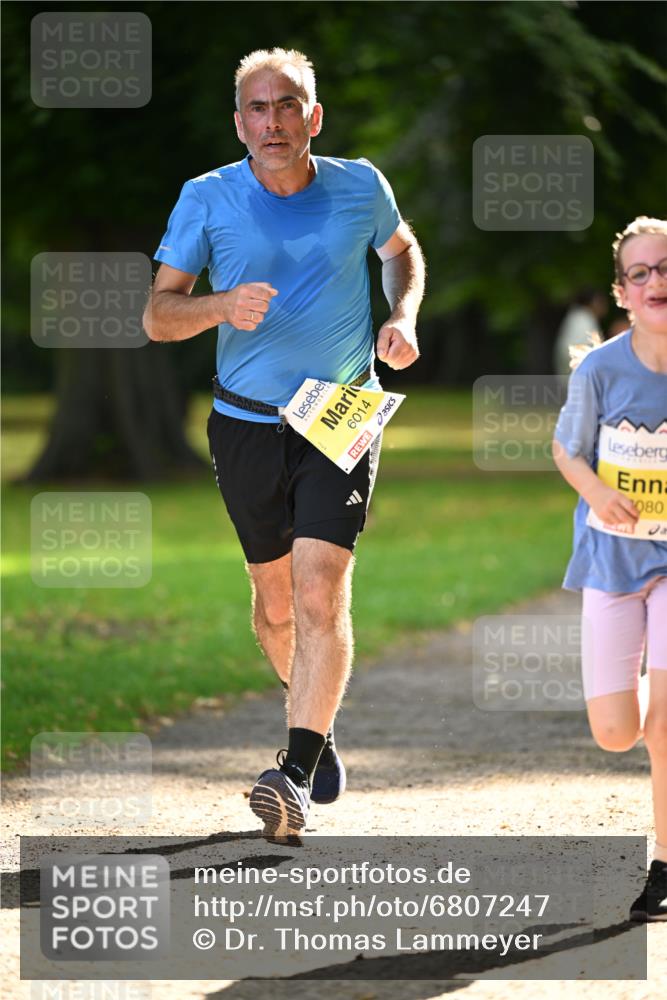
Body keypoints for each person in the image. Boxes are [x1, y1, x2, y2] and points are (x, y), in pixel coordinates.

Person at [143, 48, 425, 836]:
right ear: (240, 124)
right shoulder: (207, 199)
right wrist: (218, 305)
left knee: (317, 588)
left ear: (314, 117)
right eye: (258, 110)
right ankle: (318, 723)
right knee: (274, 608)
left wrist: (400, 316)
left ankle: (292, 771)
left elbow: (400, 255)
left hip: (339, 414)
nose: (274, 122)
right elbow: (157, 315)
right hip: (245, 424)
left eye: (288, 105)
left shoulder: (359, 185)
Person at [552, 216, 667, 921]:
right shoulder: (599, 367)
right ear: (620, 292)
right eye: (641, 272)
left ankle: (662, 863)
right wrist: (597, 490)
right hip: (611, 560)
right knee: (615, 732)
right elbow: (567, 451)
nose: (656, 281)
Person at [553, 287, 609, 377]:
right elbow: (570, 351)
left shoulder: (578, 317)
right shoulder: (584, 319)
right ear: (594, 302)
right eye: (601, 302)